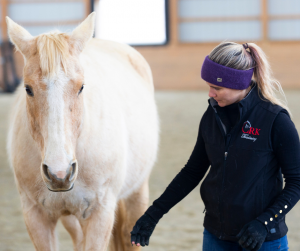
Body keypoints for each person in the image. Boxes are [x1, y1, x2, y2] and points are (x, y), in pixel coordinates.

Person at [130, 42, 300, 251]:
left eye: (217, 88)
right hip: (215, 236)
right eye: (209, 86)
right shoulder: (212, 116)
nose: (210, 93)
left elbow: (296, 182)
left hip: (262, 239)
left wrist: (263, 223)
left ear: (239, 83)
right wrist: (153, 214)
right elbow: (192, 171)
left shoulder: (276, 120)